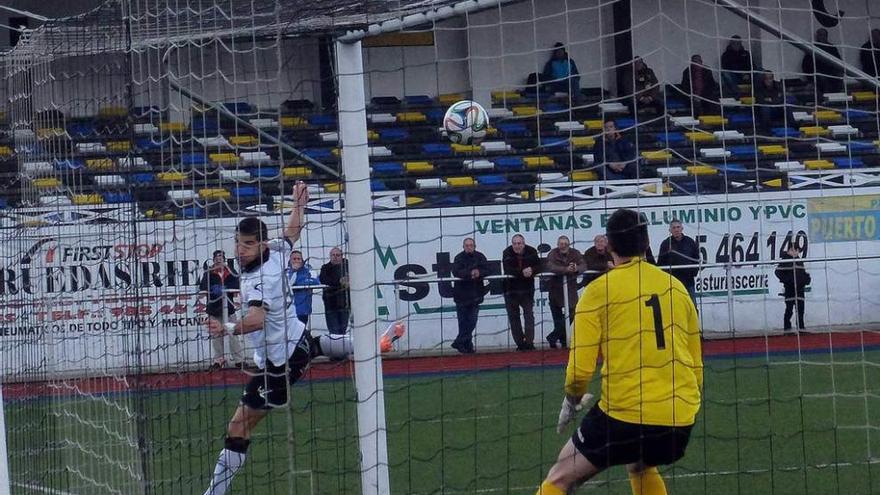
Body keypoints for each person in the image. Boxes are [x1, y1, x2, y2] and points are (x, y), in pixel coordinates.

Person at [535, 208, 702, 495]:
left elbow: (579, 373)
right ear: (648, 242)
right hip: (678, 419)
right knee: (640, 463)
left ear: (609, 246)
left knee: (559, 477)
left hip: (623, 417)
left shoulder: (598, 292)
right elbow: (696, 363)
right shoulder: (675, 287)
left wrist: (572, 400)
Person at [202, 182, 355, 495]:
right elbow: (293, 232)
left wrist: (227, 328)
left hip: (279, 364)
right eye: (237, 243)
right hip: (295, 340)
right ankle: (369, 344)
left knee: (238, 425)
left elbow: (257, 319)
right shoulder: (276, 251)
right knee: (314, 345)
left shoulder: (260, 277)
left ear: (260, 244)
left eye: (246, 244)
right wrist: (298, 204)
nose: (239, 249)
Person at [198, 249, 244, 369]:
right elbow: (203, 288)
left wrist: (226, 288)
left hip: (228, 308)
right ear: (213, 260)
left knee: (233, 333)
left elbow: (236, 286)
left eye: (221, 258)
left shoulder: (230, 271)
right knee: (216, 336)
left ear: (224, 260)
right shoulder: (208, 273)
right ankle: (218, 361)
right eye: (216, 259)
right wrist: (213, 289)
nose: (219, 260)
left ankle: (239, 360)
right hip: (214, 308)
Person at [545, 236, 586, 349]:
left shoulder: (575, 253)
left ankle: (553, 336)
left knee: (573, 313)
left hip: (571, 289)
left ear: (569, 244)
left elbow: (584, 266)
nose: (563, 246)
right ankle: (563, 341)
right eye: (561, 243)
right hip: (555, 289)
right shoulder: (552, 253)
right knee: (557, 317)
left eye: (565, 244)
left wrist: (576, 268)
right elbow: (550, 266)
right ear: (558, 244)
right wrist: (565, 269)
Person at [502, 234, 541, 351]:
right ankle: (520, 343)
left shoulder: (532, 251)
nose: (517, 246)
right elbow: (507, 269)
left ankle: (529, 342)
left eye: (519, 243)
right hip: (510, 289)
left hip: (527, 289)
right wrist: (522, 272)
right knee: (514, 317)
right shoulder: (507, 252)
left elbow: (540, 266)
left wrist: (532, 270)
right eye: (514, 243)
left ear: (523, 243)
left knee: (529, 315)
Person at [451, 237, 489, 354]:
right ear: (463, 247)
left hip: (476, 295)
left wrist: (479, 273)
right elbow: (456, 271)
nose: (469, 247)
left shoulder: (480, 257)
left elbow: (488, 269)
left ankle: (459, 342)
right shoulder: (458, 258)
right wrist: (470, 273)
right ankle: (467, 345)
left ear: (474, 246)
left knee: (472, 321)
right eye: (466, 245)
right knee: (463, 323)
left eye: (471, 245)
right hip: (461, 296)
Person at [657, 220, 701, 304]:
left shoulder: (690, 242)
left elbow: (696, 259)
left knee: (692, 307)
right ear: (670, 230)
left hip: (688, 282)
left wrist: (693, 272)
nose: (676, 230)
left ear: (682, 228)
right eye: (674, 228)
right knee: (674, 307)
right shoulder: (666, 244)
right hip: (672, 283)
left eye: (678, 227)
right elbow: (661, 264)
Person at [775, 246, 811, 332]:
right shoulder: (785, 261)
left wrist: (806, 279)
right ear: (788, 251)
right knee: (789, 309)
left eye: (796, 250)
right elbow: (777, 272)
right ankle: (787, 328)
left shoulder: (799, 261)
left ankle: (801, 328)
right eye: (792, 250)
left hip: (800, 289)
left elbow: (802, 273)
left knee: (800, 309)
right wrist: (787, 280)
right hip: (789, 289)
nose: (795, 252)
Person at [802, 28, 843, 94]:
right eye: (820, 35)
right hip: (818, 73)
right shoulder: (812, 48)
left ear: (827, 36)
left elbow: (839, 62)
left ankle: (838, 98)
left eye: (824, 35)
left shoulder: (832, 48)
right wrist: (810, 77)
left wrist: (839, 72)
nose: (822, 37)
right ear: (817, 36)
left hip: (831, 72)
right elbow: (806, 65)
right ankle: (826, 99)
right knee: (823, 80)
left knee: (838, 79)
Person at [319, 247, 350, 335]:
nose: (335, 257)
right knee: (334, 332)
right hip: (331, 305)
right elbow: (324, 279)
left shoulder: (348, 266)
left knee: (343, 331)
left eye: (338, 255)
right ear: (330, 256)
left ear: (342, 256)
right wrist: (340, 281)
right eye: (333, 255)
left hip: (345, 304)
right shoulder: (325, 268)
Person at [287, 250, 320, 325]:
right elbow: (287, 283)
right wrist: (294, 272)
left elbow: (316, 281)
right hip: (288, 310)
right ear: (290, 260)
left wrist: (298, 282)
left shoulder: (309, 270)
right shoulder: (286, 271)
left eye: (298, 259)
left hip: (303, 309)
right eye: (294, 259)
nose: (296, 261)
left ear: (302, 260)